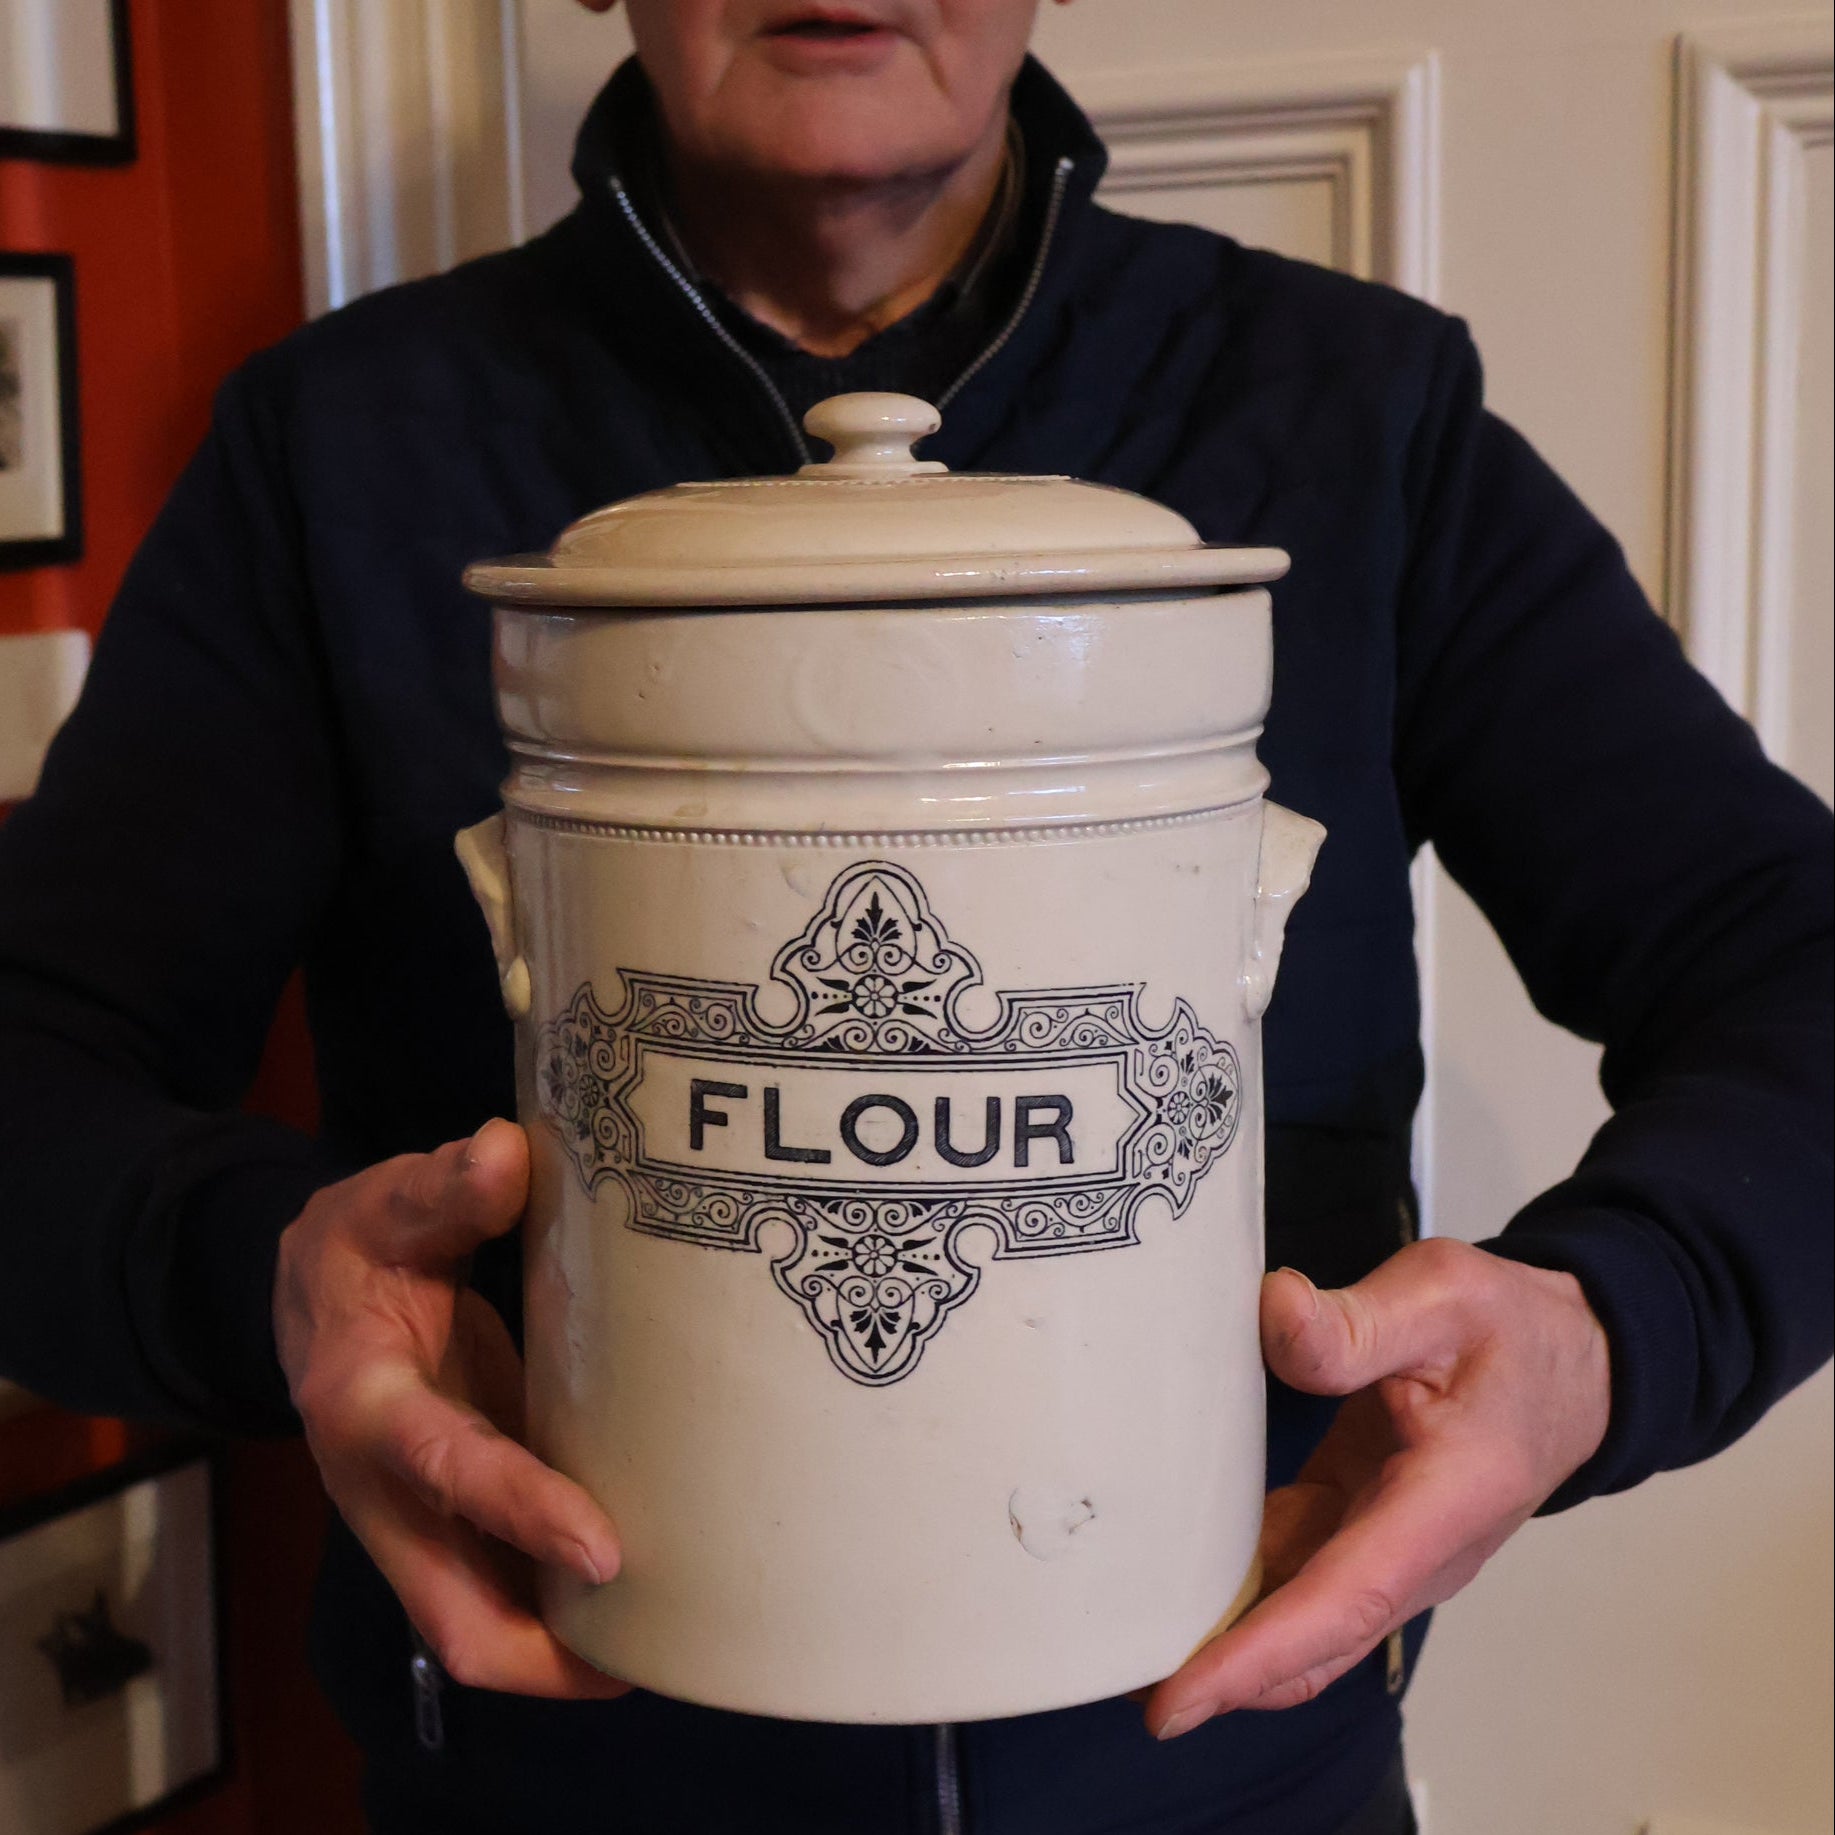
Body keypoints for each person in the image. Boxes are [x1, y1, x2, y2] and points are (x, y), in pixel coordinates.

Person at [0, 2, 1828, 1830]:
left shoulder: (1355, 412)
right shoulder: (343, 447)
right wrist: (279, 1281)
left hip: (1227, 1773)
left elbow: (1792, 961)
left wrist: (1615, 1325)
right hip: (557, 1777)